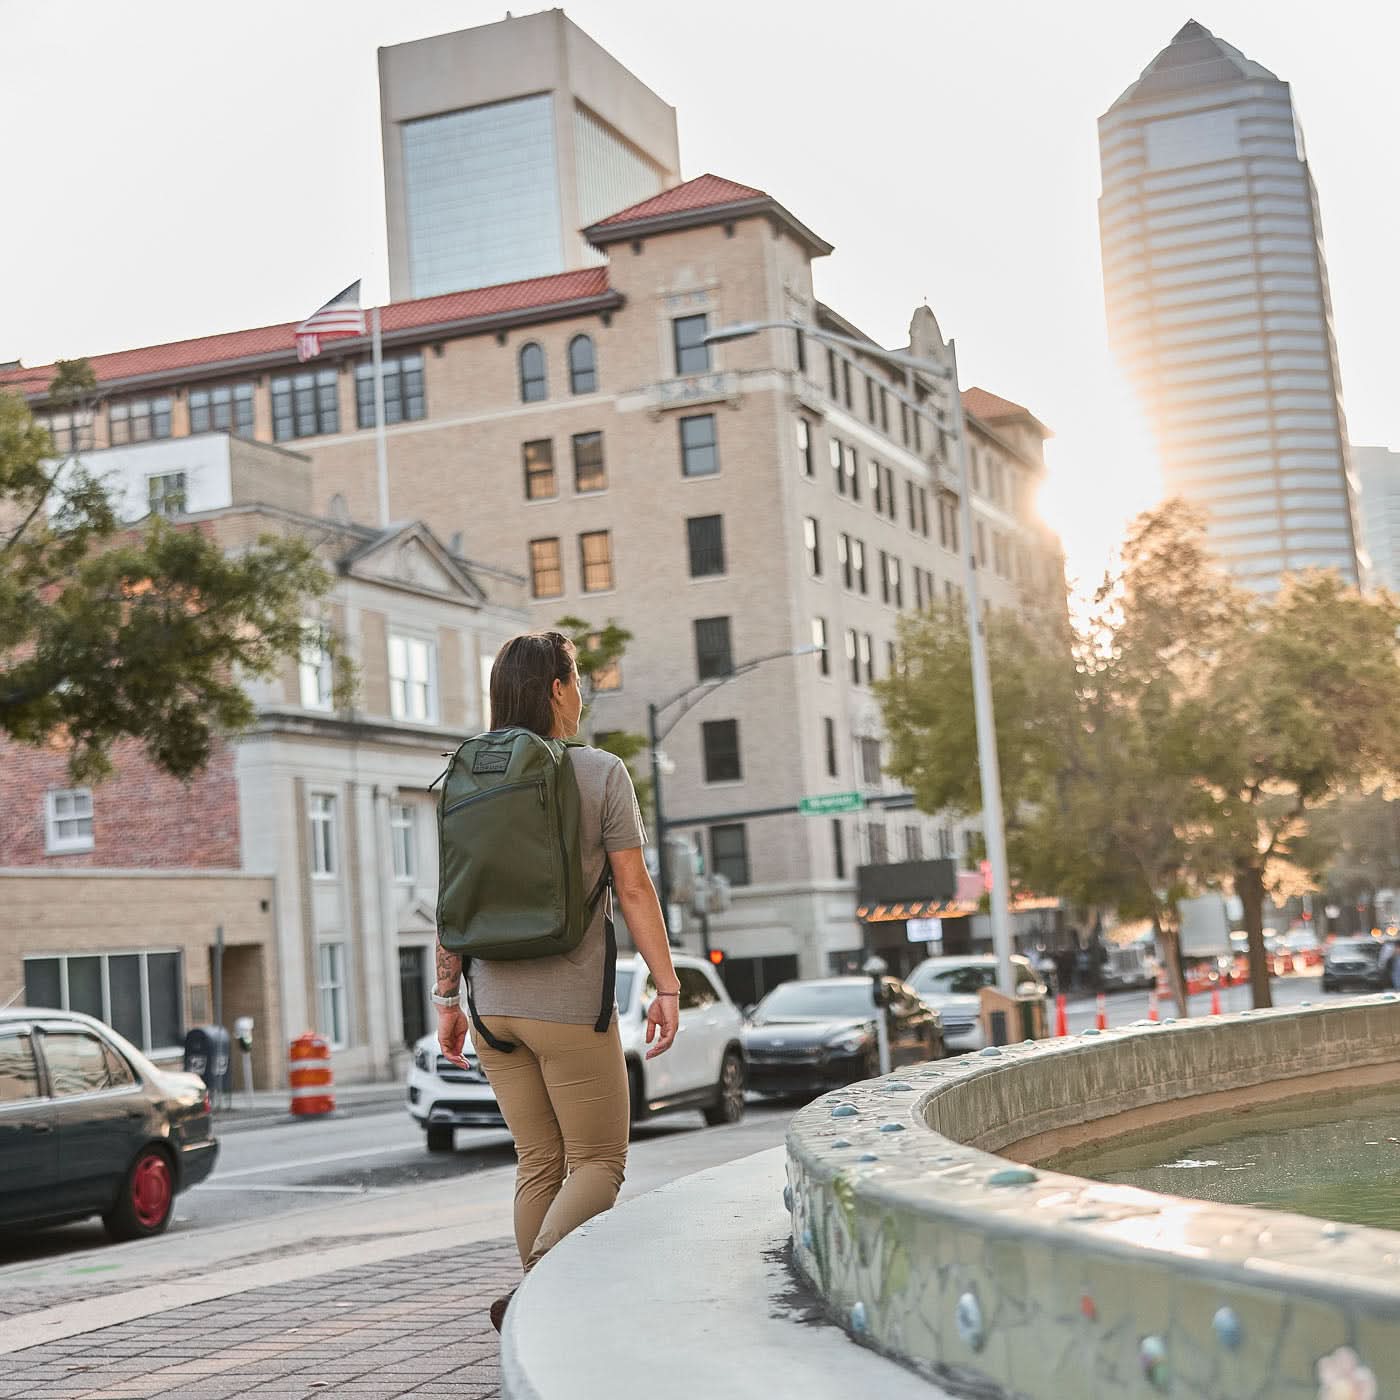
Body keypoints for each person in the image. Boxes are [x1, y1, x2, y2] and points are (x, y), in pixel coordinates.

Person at [434, 631, 680, 1333]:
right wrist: (666, 986)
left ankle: (541, 1319)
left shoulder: (463, 775)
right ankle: (540, 1293)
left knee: (538, 1162)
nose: (582, 694)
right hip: (568, 1003)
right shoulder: (600, 772)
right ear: (555, 690)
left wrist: (447, 1000)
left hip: (491, 1007)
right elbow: (633, 887)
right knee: (599, 1162)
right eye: (576, 679)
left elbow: (451, 897)